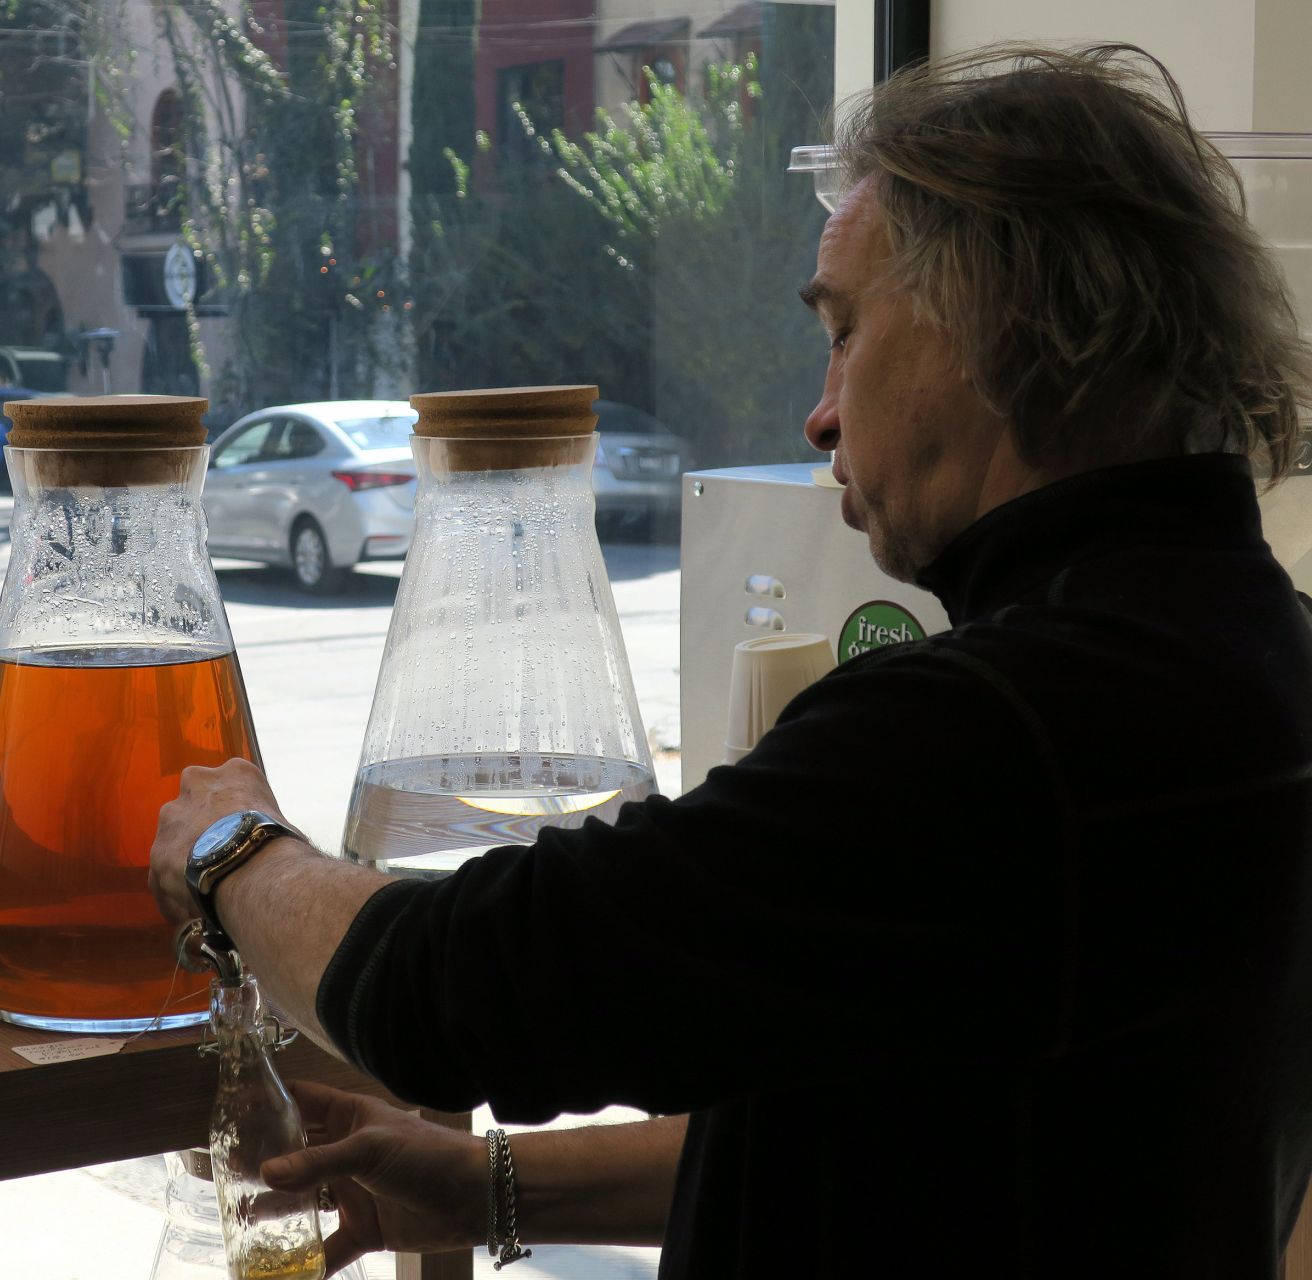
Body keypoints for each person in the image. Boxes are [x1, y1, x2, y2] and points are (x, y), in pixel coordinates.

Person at [151, 43, 1312, 1278]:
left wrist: (237, 850)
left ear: (1000, 318)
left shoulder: (1002, 734)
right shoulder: (1257, 647)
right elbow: (881, 1106)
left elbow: (461, 991)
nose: (820, 412)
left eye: (846, 330)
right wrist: (479, 1178)